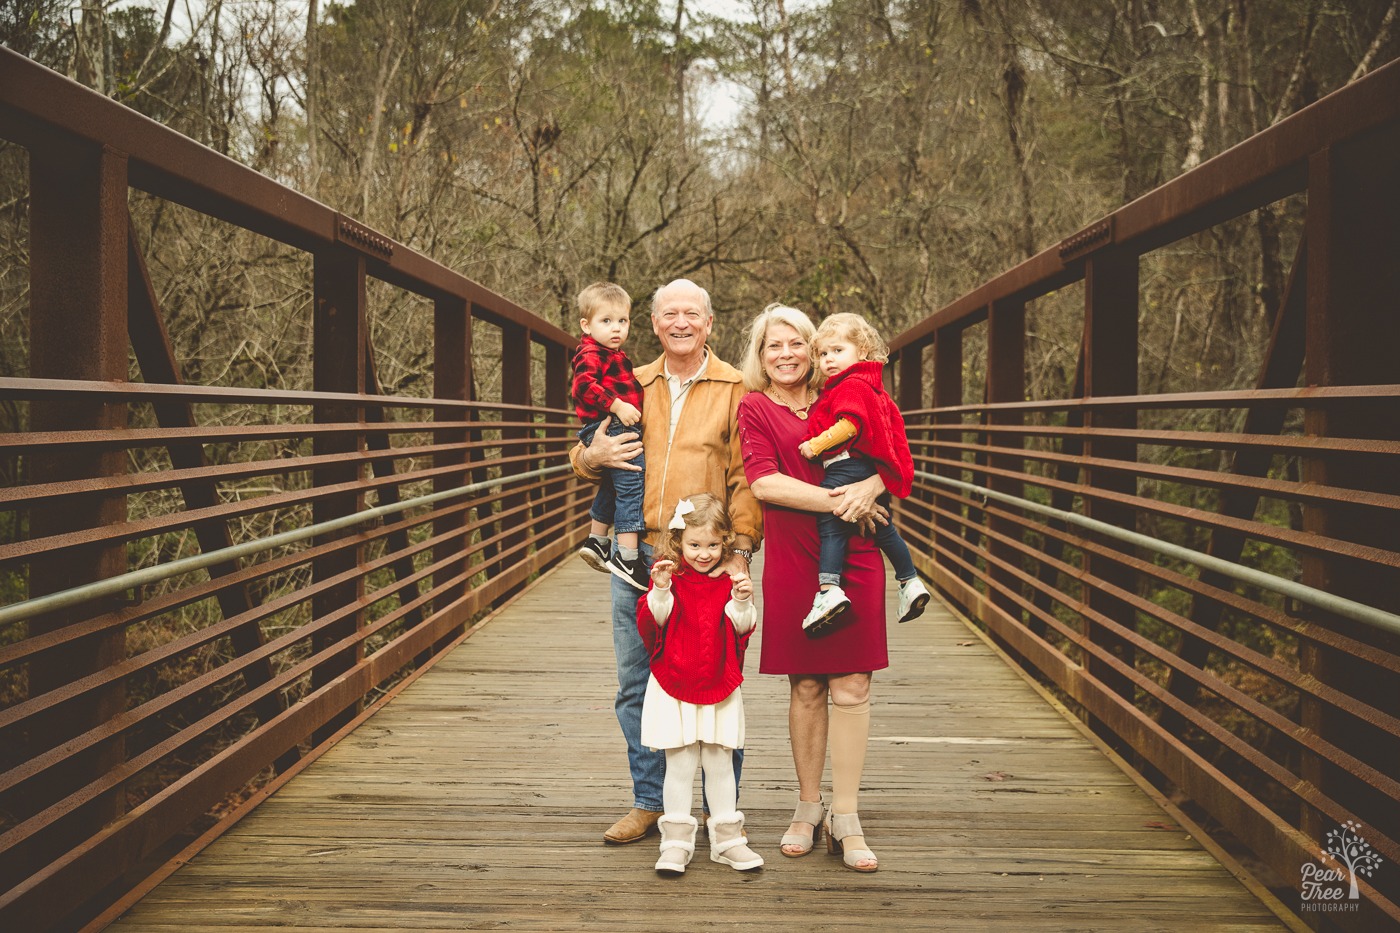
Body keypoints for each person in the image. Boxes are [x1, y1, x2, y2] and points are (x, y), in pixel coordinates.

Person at [570, 278, 761, 846]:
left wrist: (742, 551)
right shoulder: (633, 380)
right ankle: (650, 802)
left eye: (692, 313)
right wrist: (590, 455)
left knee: (719, 680)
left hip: (705, 560)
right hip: (639, 554)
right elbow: (586, 446)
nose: (681, 322)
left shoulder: (736, 387)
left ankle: (717, 809)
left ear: (709, 323)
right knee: (635, 682)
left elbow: (745, 475)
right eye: (669, 314)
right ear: (653, 325)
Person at [735, 302, 888, 873]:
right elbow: (764, 482)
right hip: (798, 557)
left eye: (797, 343)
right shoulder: (755, 408)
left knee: (853, 684)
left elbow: (895, 457)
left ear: (815, 350)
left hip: (860, 549)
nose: (786, 354)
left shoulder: (849, 396)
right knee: (806, 687)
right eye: (774, 345)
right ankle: (807, 807)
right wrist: (842, 500)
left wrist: (873, 484)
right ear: (760, 355)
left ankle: (846, 816)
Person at [638, 494, 763, 875]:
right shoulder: (668, 576)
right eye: (694, 545)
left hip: (717, 681)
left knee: (719, 760)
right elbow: (653, 623)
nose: (703, 553)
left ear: (725, 541)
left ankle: (727, 840)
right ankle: (676, 841)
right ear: (679, 541)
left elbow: (742, 628)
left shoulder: (730, 580)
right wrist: (659, 590)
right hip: (675, 679)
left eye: (712, 545)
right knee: (679, 762)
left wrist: (742, 602)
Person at [798, 312, 931, 634]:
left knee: (831, 527)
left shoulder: (851, 385)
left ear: (863, 353)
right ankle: (909, 581)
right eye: (823, 354)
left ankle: (829, 592)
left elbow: (849, 425)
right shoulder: (871, 385)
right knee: (884, 528)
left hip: (843, 464)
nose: (829, 359)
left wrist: (814, 446)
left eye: (838, 350)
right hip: (865, 468)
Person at [570, 282, 650, 590]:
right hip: (612, 425)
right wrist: (617, 405)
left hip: (613, 423)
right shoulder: (591, 353)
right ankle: (628, 558)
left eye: (622, 321)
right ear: (586, 325)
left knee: (614, 484)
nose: (616, 328)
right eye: (606, 321)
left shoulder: (612, 353)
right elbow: (583, 386)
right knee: (632, 483)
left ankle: (597, 540)